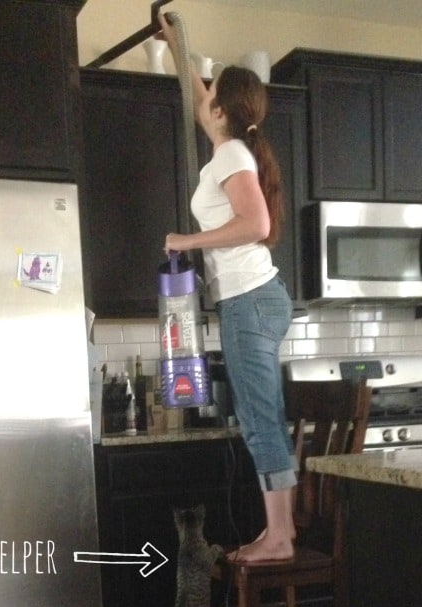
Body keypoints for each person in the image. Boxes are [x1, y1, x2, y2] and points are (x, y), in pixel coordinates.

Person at [158, 13, 296, 563]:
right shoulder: (227, 148)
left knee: (260, 418)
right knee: (260, 414)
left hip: (249, 301)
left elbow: (256, 225)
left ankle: (280, 536)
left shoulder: (232, 155)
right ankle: (275, 532)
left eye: (211, 92)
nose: (204, 97)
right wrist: (177, 45)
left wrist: (187, 240)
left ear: (223, 110)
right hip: (254, 300)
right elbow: (197, 98)